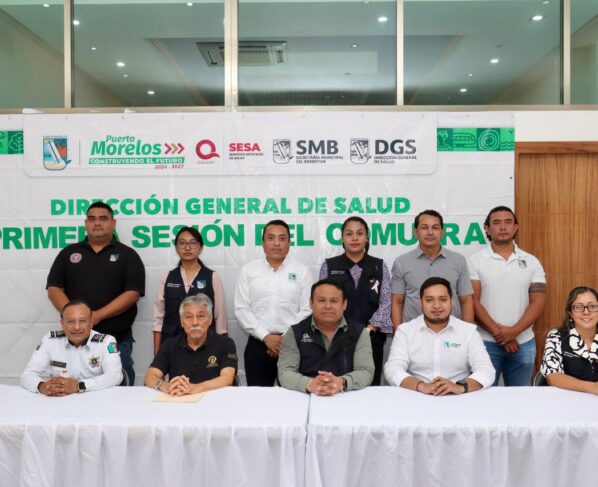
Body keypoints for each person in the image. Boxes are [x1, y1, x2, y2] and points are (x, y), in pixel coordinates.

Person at [46, 201, 145, 385]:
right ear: (86, 223)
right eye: (92, 219)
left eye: (103, 219)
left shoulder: (128, 255)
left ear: (113, 223)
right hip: (74, 341)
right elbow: (54, 288)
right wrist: (77, 318)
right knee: (72, 391)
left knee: (120, 393)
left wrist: (97, 315)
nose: (97, 223)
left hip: (116, 340)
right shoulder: (68, 253)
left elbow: (133, 293)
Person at [468, 206, 546, 386]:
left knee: (520, 398)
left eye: (508, 222)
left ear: (516, 227)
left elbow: (538, 302)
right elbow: (473, 302)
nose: (503, 227)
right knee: (483, 396)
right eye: (496, 222)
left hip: (523, 342)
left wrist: (514, 332)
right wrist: (500, 334)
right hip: (485, 342)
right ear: (487, 229)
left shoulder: (532, 261)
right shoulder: (475, 261)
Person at [385, 277, 494, 395]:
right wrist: (421, 386)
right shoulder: (405, 331)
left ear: (451, 301)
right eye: (429, 300)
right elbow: (392, 369)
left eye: (443, 299)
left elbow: (486, 369)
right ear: (421, 302)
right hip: (417, 396)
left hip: (458, 398)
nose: (437, 305)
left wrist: (459, 387)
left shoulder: (468, 331)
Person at [234, 219, 312, 386]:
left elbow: (307, 309)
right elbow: (241, 309)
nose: (277, 243)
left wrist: (284, 338)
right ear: (263, 243)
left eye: (282, 238)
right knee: (259, 398)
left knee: (294, 396)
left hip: (293, 344)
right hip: (258, 343)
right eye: (271, 238)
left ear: (289, 243)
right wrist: (266, 337)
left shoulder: (302, 271)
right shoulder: (248, 270)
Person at [319, 216, 392, 385]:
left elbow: (386, 301)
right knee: (336, 387)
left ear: (366, 238)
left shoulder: (379, 266)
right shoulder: (329, 266)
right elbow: (322, 302)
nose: (354, 238)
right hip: (336, 338)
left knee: (369, 388)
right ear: (342, 239)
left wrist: (370, 329)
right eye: (349, 234)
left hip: (371, 339)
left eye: (359, 233)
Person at [278, 279, 375, 395]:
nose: (328, 306)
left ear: (344, 304)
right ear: (311, 303)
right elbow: (285, 372)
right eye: (321, 300)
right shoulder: (295, 332)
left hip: (346, 396)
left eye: (334, 301)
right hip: (305, 397)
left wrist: (341, 382)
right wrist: (310, 383)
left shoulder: (359, 332)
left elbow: (366, 371)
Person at [391, 209, 474, 332]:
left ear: (442, 232)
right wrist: (398, 334)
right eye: (424, 227)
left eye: (435, 227)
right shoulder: (401, 262)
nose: (430, 232)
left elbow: (466, 300)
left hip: (451, 333)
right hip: (413, 334)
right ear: (416, 232)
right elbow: (397, 302)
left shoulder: (458, 261)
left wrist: (467, 334)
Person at [152, 226, 227, 355]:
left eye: (193, 243)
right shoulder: (167, 277)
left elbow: (220, 319)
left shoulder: (212, 277)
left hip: (205, 345)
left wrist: (222, 353)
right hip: (172, 346)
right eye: (182, 243)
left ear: (201, 248)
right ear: (176, 247)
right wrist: (157, 355)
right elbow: (158, 320)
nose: (187, 248)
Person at [21, 300, 122, 395]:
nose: (77, 327)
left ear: (91, 323)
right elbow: (27, 375)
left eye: (82, 321)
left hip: (95, 400)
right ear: (62, 323)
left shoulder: (106, 342)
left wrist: (78, 386)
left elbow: (115, 375)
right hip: (59, 401)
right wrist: (44, 387)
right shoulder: (50, 340)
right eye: (70, 321)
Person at [144, 294, 237, 395]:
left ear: (210, 320)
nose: (195, 323)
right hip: (180, 401)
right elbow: (150, 377)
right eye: (188, 317)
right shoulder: (169, 345)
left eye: (201, 316)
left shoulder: (225, 343)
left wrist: (196, 388)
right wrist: (165, 386)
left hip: (215, 399)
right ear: (181, 322)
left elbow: (227, 378)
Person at [540, 286, 598, 393]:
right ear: (571, 313)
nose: (586, 312)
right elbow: (553, 376)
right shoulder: (556, 336)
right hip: (562, 399)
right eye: (578, 307)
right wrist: (592, 387)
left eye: (592, 306)